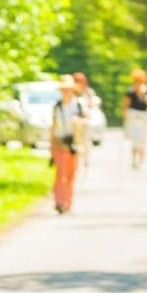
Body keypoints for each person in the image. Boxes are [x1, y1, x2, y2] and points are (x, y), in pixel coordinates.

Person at [49, 74, 88, 214]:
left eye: (68, 89)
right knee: (60, 174)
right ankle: (59, 202)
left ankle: (68, 202)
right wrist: (51, 144)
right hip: (60, 143)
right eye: (64, 89)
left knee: (71, 175)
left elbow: (86, 122)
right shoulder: (57, 106)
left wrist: (78, 122)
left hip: (74, 144)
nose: (66, 92)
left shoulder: (79, 104)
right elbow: (53, 126)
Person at [122, 68, 147, 170]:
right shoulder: (130, 91)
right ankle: (134, 160)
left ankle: (141, 161)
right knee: (135, 140)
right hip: (133, 117)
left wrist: (146, 97)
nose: (138, 83)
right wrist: (126, 117)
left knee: (143, 140)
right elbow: (126, 105)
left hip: (144, 117)